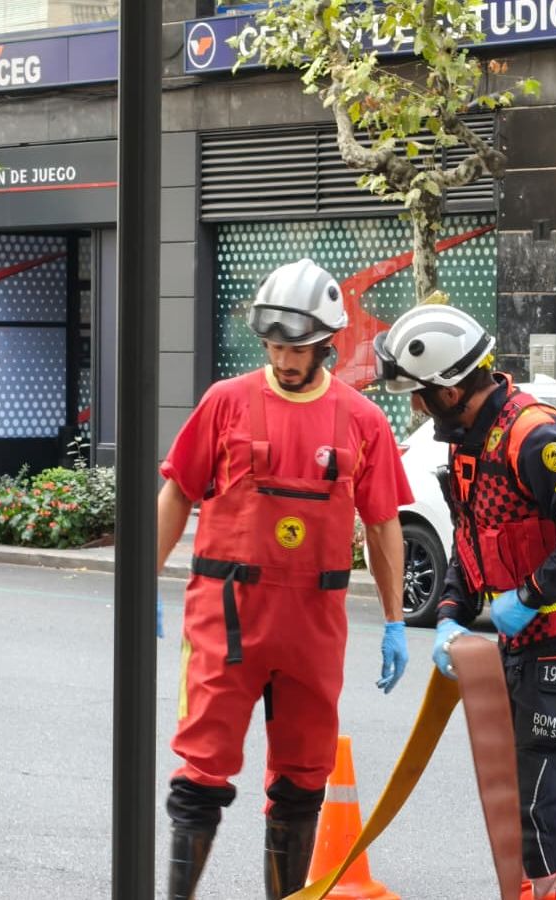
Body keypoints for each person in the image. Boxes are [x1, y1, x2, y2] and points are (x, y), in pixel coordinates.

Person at [155, 258, 415, 899]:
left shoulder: (362, 420)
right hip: (227, 619)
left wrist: (394, 620)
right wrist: (142, 581)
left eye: (297, 348)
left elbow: (383, 523)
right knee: (199, 774)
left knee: (303, 779)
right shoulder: (226, 402)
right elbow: (178, 491)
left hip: (312, 626)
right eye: (273, 346)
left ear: (327, 343)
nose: (283, 358)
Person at [373, 303, 556, 900]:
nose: (417, 407)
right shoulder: (469, 444)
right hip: (526, 637)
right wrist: (450, 616)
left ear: (452, 389)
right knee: (515, 796)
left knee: (541, 799)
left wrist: (530, 596)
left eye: (421, 395)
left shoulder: (534, 435)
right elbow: (471, 541)